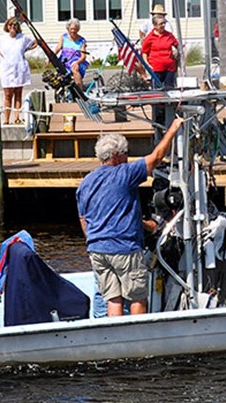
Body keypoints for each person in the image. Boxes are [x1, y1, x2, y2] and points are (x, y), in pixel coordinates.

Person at [77, 117, 184, 317]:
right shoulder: (124, 173)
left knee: (113, 299)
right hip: (124, 248)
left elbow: (85, 219)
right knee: (137, 296)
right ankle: (139, 338)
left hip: (97, 249)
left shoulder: (86, 182)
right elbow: (157, 156)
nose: (128, 157)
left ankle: (116, 339)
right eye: (126, 154)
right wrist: (174, 128)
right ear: (117, 155)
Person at [0, 17, 37, 125]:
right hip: (7, 68)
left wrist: (26, 49)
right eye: (10, 25)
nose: (13, 27)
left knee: (18, 93)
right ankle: (6, 119)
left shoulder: (22, 38)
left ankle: (17, 117)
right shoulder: (2, 38)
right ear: (7, 26)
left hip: (19, 67)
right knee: (8, 94)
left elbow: (35, 42)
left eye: (15, 25)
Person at [141, 14, 179, 90]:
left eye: (164, 23)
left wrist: (176, 51)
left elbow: (177, 45)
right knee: (157, 90)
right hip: (156, 68)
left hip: (169, 67)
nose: (163, 25)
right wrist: (147, 64)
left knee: (170, 88)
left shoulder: (169, 35)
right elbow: (144, 52)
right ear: (155, 25)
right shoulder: (150, 38)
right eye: (161, 24)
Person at [54, 18, 88, 90]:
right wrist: (50, 57)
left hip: (77, 61)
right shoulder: (63, 37)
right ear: (68, 29)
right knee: (58, 75)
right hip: (65, 61)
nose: (73, 31)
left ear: (78, 29)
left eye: (75, 29)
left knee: (74, 69)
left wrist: (77, 63)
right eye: (71, 29)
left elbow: (83, 56)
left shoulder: (82, 40)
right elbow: (58, 48)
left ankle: (80, 92)